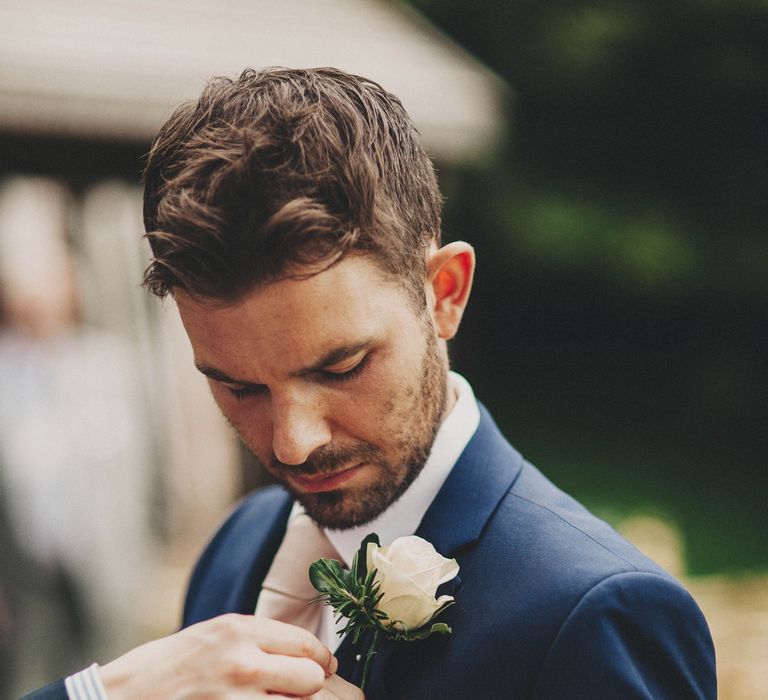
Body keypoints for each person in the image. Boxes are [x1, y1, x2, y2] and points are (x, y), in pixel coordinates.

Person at [25, 67, 716, 699]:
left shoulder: (598, 613)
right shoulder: (237, 547)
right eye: (239, 388)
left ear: (444, 293)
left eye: (340, 367)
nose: (293, 444)